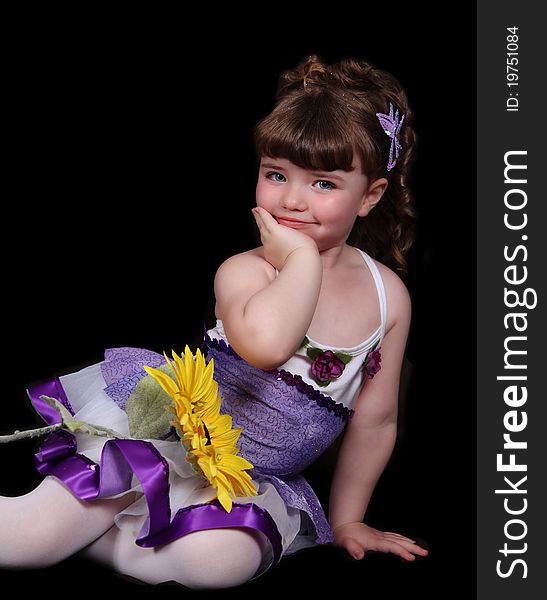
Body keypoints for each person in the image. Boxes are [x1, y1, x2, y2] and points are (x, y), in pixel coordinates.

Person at [0, 54, 427, 589]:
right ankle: (53, 532)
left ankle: (100, 540)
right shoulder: (246, 271)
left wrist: (347, 519)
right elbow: (269, 344)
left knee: (219, 563)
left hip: (250, 477)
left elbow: (375, 420)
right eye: (276, 175)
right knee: (27, 541)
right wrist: (298, 261)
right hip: (171, 433)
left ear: (370, 196)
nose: (292, 200)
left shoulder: (388, 298)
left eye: (323, 184)